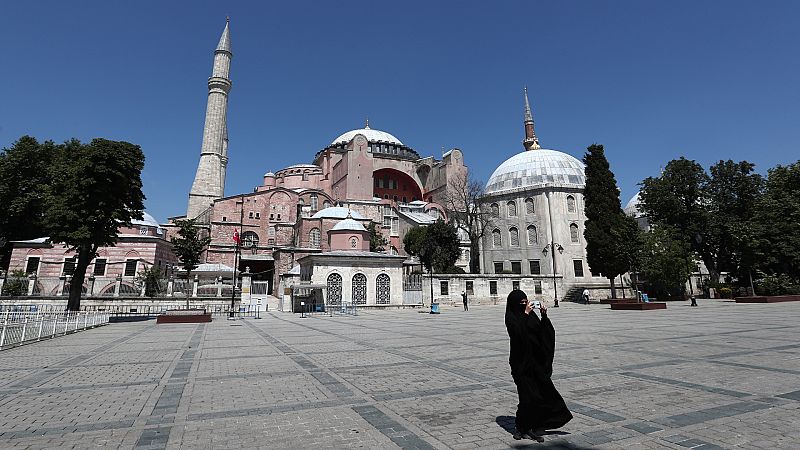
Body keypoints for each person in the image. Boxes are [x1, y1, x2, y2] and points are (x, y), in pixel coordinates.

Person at [505, 290, 572, 441]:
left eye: (525, 301)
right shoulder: (511, 317)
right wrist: (526, 314)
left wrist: (544, 315)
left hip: (535, 363)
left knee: (539, 395)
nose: (524, 304)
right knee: (526, 396)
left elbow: (542, 333)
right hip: (520, 364)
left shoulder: (530, 315)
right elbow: (517, 335)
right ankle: (522, 427)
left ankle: (530, 426)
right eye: (521, 303)